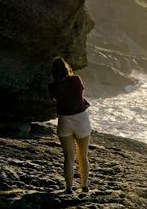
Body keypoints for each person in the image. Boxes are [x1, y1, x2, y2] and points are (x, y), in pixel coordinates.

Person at [48, 57, 91, 194]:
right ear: (66, 67)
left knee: (68, 157)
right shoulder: (76, 79)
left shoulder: (53, 86)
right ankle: (84, 186)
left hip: (64, 121)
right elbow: (80, 94)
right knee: (82, 155)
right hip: (81, 120)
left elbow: (56, 98)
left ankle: (68, 189)